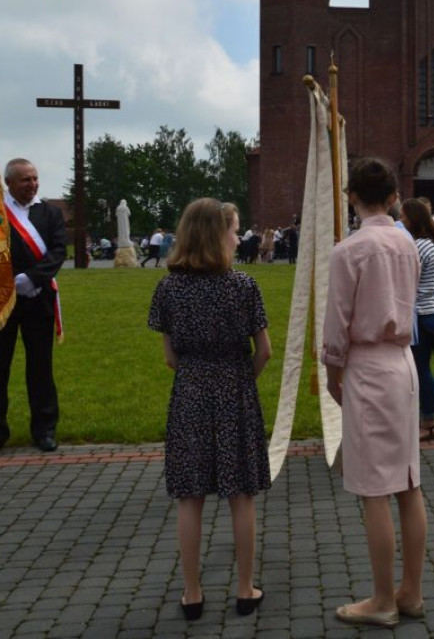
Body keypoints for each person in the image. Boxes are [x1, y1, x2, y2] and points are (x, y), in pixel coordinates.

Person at [147, 198, 272, 620]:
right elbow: (266, 351)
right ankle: (243, 589)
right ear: (217, 235)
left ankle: (193, 592)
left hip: (190, 392)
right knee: (240, 495)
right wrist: (238, 379)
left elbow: (169, 357)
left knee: (190, 496)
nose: (238, 238)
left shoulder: (168, 287)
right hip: (235, 387)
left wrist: (198, 378)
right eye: (233, 232)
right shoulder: (243, 285)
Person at [322, 158, 426, 628]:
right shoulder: (406, 242)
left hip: (368, 365)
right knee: (408, 482)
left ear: (351, 197)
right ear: (391, 196)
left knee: (374, 488)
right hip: (403, 363)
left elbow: (337, 320)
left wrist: (331, 370)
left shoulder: (350, 251)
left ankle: (384, 598)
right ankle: (411, 590)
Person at [0, 159, 67, 452]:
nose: (32, 184)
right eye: (26, 180)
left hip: (38, 297)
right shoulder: (2, 213)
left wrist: (32, 278)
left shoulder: (50, 212)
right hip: (3, 300)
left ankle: (44, 429)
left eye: (35, 178)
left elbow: (58, 251)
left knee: (40, 366)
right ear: (10, 183)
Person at [400, 199, 434, 443]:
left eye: (404, 217)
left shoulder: (421, 246)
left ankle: (429, 421)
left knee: (421, 369)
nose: (401, 222)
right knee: (416, 369)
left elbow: (406, 277)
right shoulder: (420, 244)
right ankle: (422, 419)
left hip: (422, 314)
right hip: (421, 312)